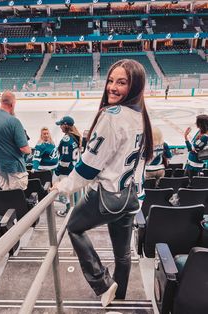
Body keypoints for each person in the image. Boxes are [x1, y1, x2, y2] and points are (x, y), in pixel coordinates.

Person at [51, 59, 153, 306]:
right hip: (130, 198)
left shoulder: (112, 116)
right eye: (111, 80)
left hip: (107, 196)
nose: (112, 87)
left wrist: (62, 186)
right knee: (123, 254)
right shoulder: (141, 115)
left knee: (73, 228)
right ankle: (119, 298)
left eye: (122, 82)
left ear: (135, 86)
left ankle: (103, 284)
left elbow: (88, 166)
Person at [0, 91, 31, 190]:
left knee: (6, 198)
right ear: (12, 104)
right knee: (16, 199)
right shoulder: (14, 121)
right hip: (15, 168)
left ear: (1, 102)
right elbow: (25, 149)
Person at [54, 116, 82, 217]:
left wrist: (57, 172)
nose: (60, 127)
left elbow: (65, 159)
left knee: (65, 192)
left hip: (66, 171)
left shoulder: (66, 139)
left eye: (61, 125)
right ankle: (74, 211)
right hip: (74, 169)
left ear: (65, 125)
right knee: (73, 193)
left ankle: (68, 211)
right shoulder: (76, 136)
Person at [184, 114, 208, 180]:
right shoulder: (200, 132)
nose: (195, 123)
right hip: (191, 163)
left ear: (200, 124)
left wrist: (186, 136)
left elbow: (191, 149)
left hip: (194, 166)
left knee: (190, 183)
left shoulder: (204, 137)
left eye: (197, 122)